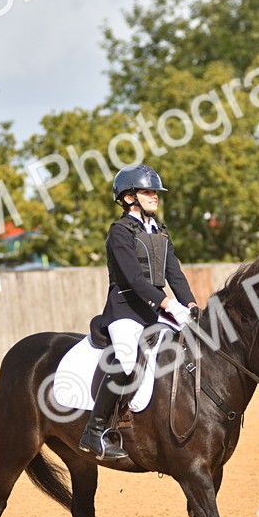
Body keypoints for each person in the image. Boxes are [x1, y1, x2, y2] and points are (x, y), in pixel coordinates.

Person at [79, 165, 197, 460]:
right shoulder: (119, 232)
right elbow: (133, 278)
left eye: (155, 192)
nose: (154, 196)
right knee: (127, 360)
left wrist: (191, 305)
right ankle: (94, 431)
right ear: (129, 197)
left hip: (155, 309)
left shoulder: (160, 231)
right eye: (147, 191)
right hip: (125, 309)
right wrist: (168, 305)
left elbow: (175, 274)